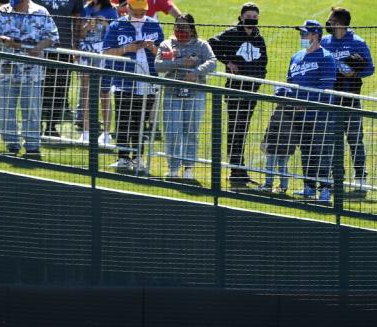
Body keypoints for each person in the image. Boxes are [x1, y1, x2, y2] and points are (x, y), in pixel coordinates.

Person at [0, 0, 59, 158]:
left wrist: (38, 48)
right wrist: (5, 40)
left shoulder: (41, 12)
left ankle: (32, 148)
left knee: (32, 110)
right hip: (5, 71)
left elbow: (53, 36)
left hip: (31, 72)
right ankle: (11, 146)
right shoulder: (2, 11)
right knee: (5, 110)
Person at [208, 3, 267, 188]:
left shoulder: (259, 38)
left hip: (251, 92)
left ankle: (239, 170)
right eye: (248, 15)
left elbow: (263, 62)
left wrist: (258, 82)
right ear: (241, 17)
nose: (252, 19)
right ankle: (236, 171)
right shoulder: (232, 34)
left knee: (243, 130)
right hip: (235, 91)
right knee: (235, 130)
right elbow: (211, 44)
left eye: (255, 16)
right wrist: (227, 61)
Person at [102, 0, 163, 172]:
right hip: (124, 82)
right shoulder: (116, 26)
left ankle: (138, 157)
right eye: (135, 11)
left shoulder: (154, 26)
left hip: (148, 82)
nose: (139, 15)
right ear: (128, 8)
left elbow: (165, 54)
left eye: (141, 12)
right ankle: (123, 158)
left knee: (140, 122)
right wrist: (127, 48)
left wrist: (153, 49)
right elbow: (106, 52)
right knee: (123, 120)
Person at [155, 13, 215, 179]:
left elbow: (212, 62)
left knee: (191, 131)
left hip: (195, 94)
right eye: (177, 26)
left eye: (184, 26)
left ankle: (188, 167)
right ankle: (173, 167)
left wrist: (196, 72)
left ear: (191, 28)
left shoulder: (201, 45)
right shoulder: (167, 44)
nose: (180, 29)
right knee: (172, 131)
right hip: (171, 93)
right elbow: (158, 65)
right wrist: (180, 63)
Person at [321, 7, 374, 195]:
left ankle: (360, 180)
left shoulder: (357, 43)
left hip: (351, 99)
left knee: (354, 140)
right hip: (330, 100)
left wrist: (354, 72)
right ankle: (337, 179)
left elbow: (370, 68)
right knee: (332, 141)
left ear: (340, 23)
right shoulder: (325, 42)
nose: (328, 23)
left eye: (331, 20)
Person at [282, 19, 336, 202]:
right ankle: (309, 187)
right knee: (306, 150)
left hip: (319, 115)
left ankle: (325, 190)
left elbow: (326, 89)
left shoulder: (326, 58)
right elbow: (289, 82)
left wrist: (305, 103)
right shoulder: (296, 56)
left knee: (321, 152)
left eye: (305, 33)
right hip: (298, 114)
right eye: (301, 33)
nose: (302, 36)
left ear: (316, 35)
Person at [32, 0, 83, 138]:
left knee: (60, 88)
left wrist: (76, 46)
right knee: (40, 86)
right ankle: (36, 124)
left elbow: (77, 19)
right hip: (41, 47)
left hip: (63, 47)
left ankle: (51, 125)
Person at [76, 0, 118, 144]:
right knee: (86, 92)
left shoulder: (111, 11)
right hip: (86, 54)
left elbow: (116, 33)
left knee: (104, 94)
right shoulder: (85, 8)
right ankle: (85, 132)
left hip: (104, 56)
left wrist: (105, 24)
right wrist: (86, 27)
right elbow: (79, 33)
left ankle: (106, 134)